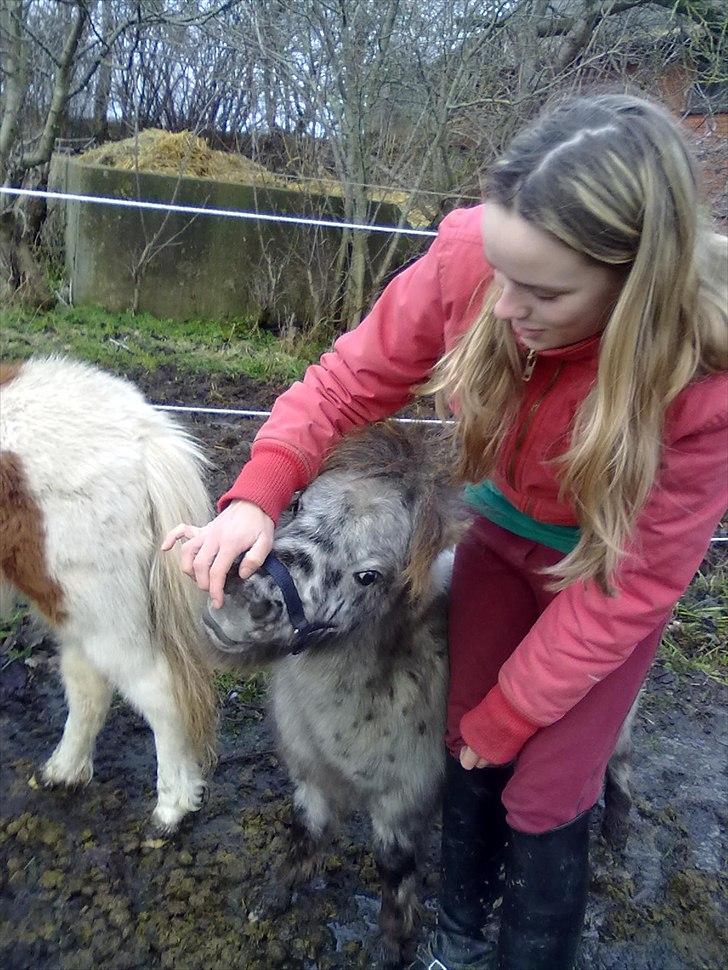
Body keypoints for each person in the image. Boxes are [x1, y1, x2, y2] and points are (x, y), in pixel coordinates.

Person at [163, 94, 728, 969]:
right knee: (465, 734)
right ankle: (456, 938)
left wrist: (516, 712)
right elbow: (348, 381)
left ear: (634, 286)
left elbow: (634, 587)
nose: (503, 307)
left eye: (541, 291)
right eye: (499, 273)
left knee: (546, 777)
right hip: (503, 521)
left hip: (610, 569)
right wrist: (256, 494)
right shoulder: (477, 260)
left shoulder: (700, 386)